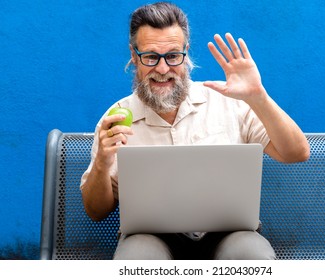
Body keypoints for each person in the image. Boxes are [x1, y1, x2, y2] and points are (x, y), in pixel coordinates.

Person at [80, 2, 310, 260]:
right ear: (134, 56)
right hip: (150, 238)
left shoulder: (229, 101)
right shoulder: (117, 118)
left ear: (186, 53)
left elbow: (297, 152)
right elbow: (96, 211)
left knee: (251, 255)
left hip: (228, 233)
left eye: (173, 56)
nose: (163, 69)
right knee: (136, 259)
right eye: (151, 57)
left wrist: (258, 97)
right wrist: (102, 162)